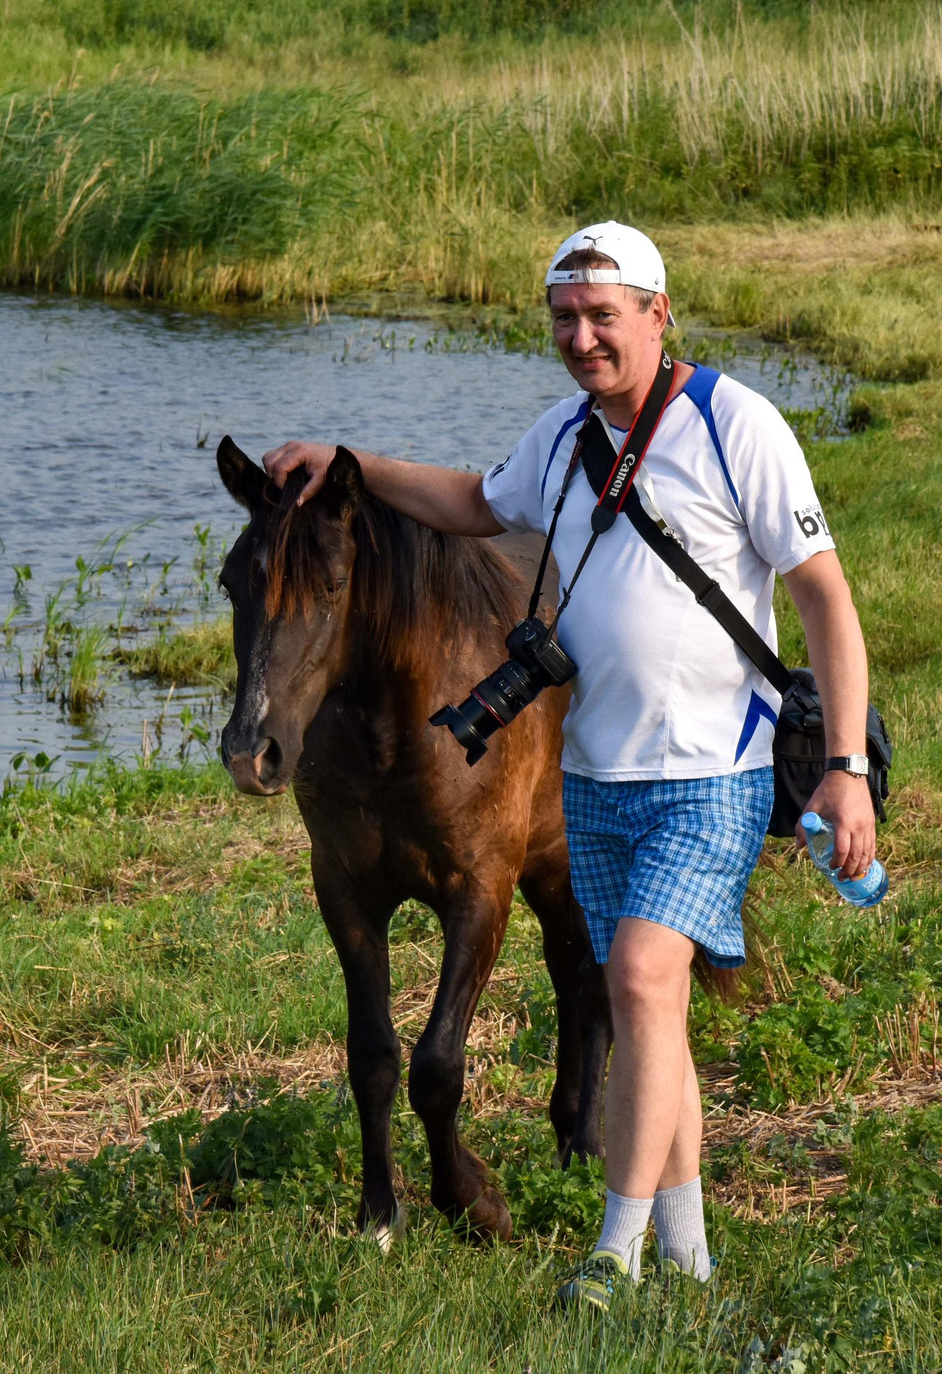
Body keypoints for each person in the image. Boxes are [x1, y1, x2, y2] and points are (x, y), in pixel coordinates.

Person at [260, 221, 878, 1310]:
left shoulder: (736, 424)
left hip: (711, 771)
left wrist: (844, 767)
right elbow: (472, 504)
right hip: (592, 778)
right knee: (655, 1013)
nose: (582, 337)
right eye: (564, 318)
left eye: (604, 317)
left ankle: (616, 1250)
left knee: (637, 980)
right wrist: (348, 463)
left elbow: (824, 595)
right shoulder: (562, 435)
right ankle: (689, 1255)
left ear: (658, 313)